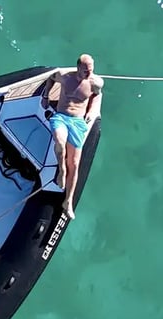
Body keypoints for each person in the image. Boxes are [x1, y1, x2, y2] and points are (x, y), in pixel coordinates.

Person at [41, 54, 103, 219]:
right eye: (85, 71)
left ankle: (67, 201)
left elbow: (97, 95)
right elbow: (50, 79)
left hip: (77, 122)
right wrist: (46, 96)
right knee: (60, 143)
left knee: (74, 164)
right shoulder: (65, 76)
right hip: (61, 117)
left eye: (91, 70)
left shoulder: (95, 83)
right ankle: (61, 170)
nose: (89, 74)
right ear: (78, 68)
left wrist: (91, 110)